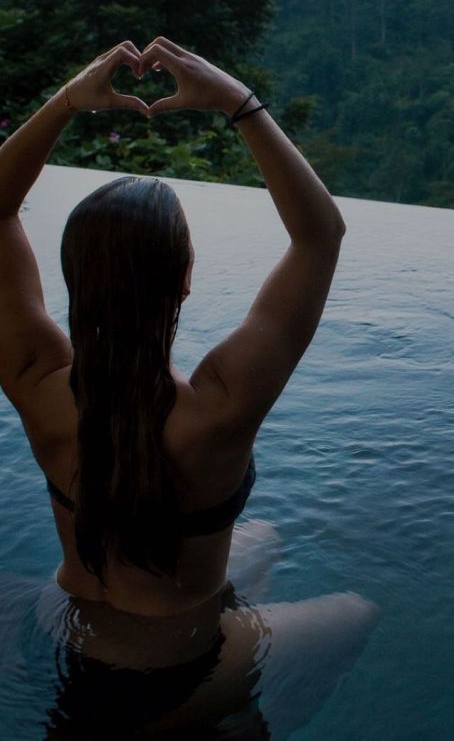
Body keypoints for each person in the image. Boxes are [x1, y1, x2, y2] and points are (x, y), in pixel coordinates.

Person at [0, 39, 379, 738]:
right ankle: (220, 719)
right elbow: (319, 235)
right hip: (171, 679)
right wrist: (240, 102)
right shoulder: (220, 406)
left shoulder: (38, 384)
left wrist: (65, 101)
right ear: (183, 283)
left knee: (262, 537)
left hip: (62, 634)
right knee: (358, 612)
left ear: (76, 286)